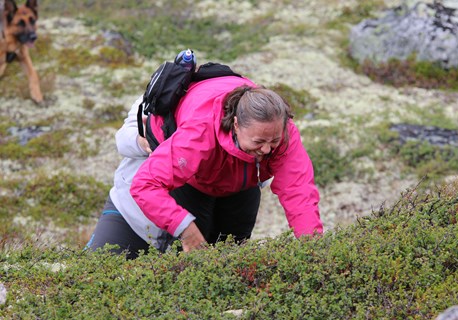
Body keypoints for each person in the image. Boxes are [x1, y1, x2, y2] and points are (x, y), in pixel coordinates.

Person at [87, 74, 323, 258]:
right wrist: (185, 230)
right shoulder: (200, 131)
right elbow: (146, 185)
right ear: (236, 125)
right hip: (190, 183)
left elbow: (298, 191)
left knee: (227, 268)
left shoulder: (283, 133)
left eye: (274, 141)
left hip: (239, 187)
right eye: (259, 142)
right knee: (190, 261)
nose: (267, 150)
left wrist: (313, 252)